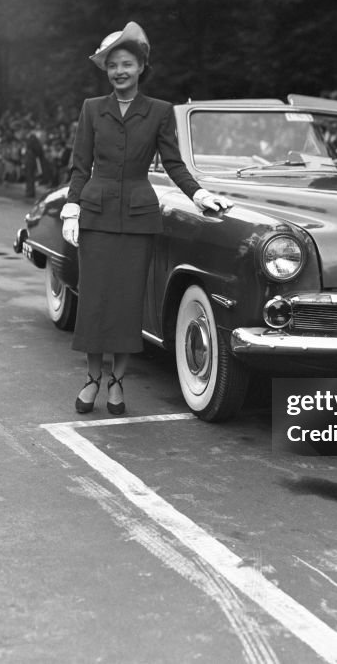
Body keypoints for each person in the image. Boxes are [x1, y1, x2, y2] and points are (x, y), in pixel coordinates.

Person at [60, 21, 232, 415]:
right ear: (107, 71)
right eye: (113, 65)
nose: (120, 71)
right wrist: (73, 206)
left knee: (125, 303)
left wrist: (199, 193)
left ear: (140, 68)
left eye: (127, 64)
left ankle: (118, 383)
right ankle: (92, 379)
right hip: (96, 217)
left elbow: (174, 163)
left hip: (138, 219)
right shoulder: (91, 109)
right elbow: (79, 165)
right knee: (94, 304)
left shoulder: (159, 112)